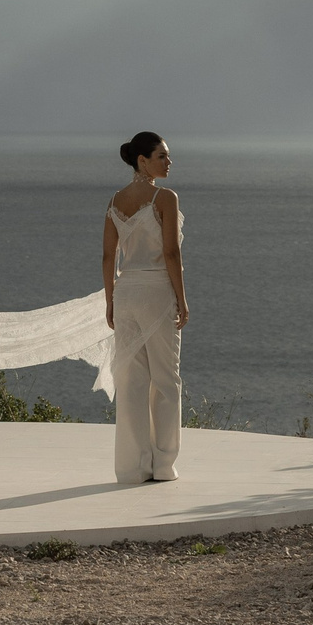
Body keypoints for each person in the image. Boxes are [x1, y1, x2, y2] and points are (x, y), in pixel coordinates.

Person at [102, 131, 186, 483]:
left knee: (132, 381)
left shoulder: (116, 200)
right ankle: (164, 465)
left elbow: (108, 256)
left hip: (126, 293)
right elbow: (171, 253)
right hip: (155, 291)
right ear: (143, 161)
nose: (169, 162)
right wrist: (182, 299)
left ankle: (132, 468)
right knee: (166, 379)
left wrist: (109, 300)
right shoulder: (164, 198)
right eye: (162, 156)